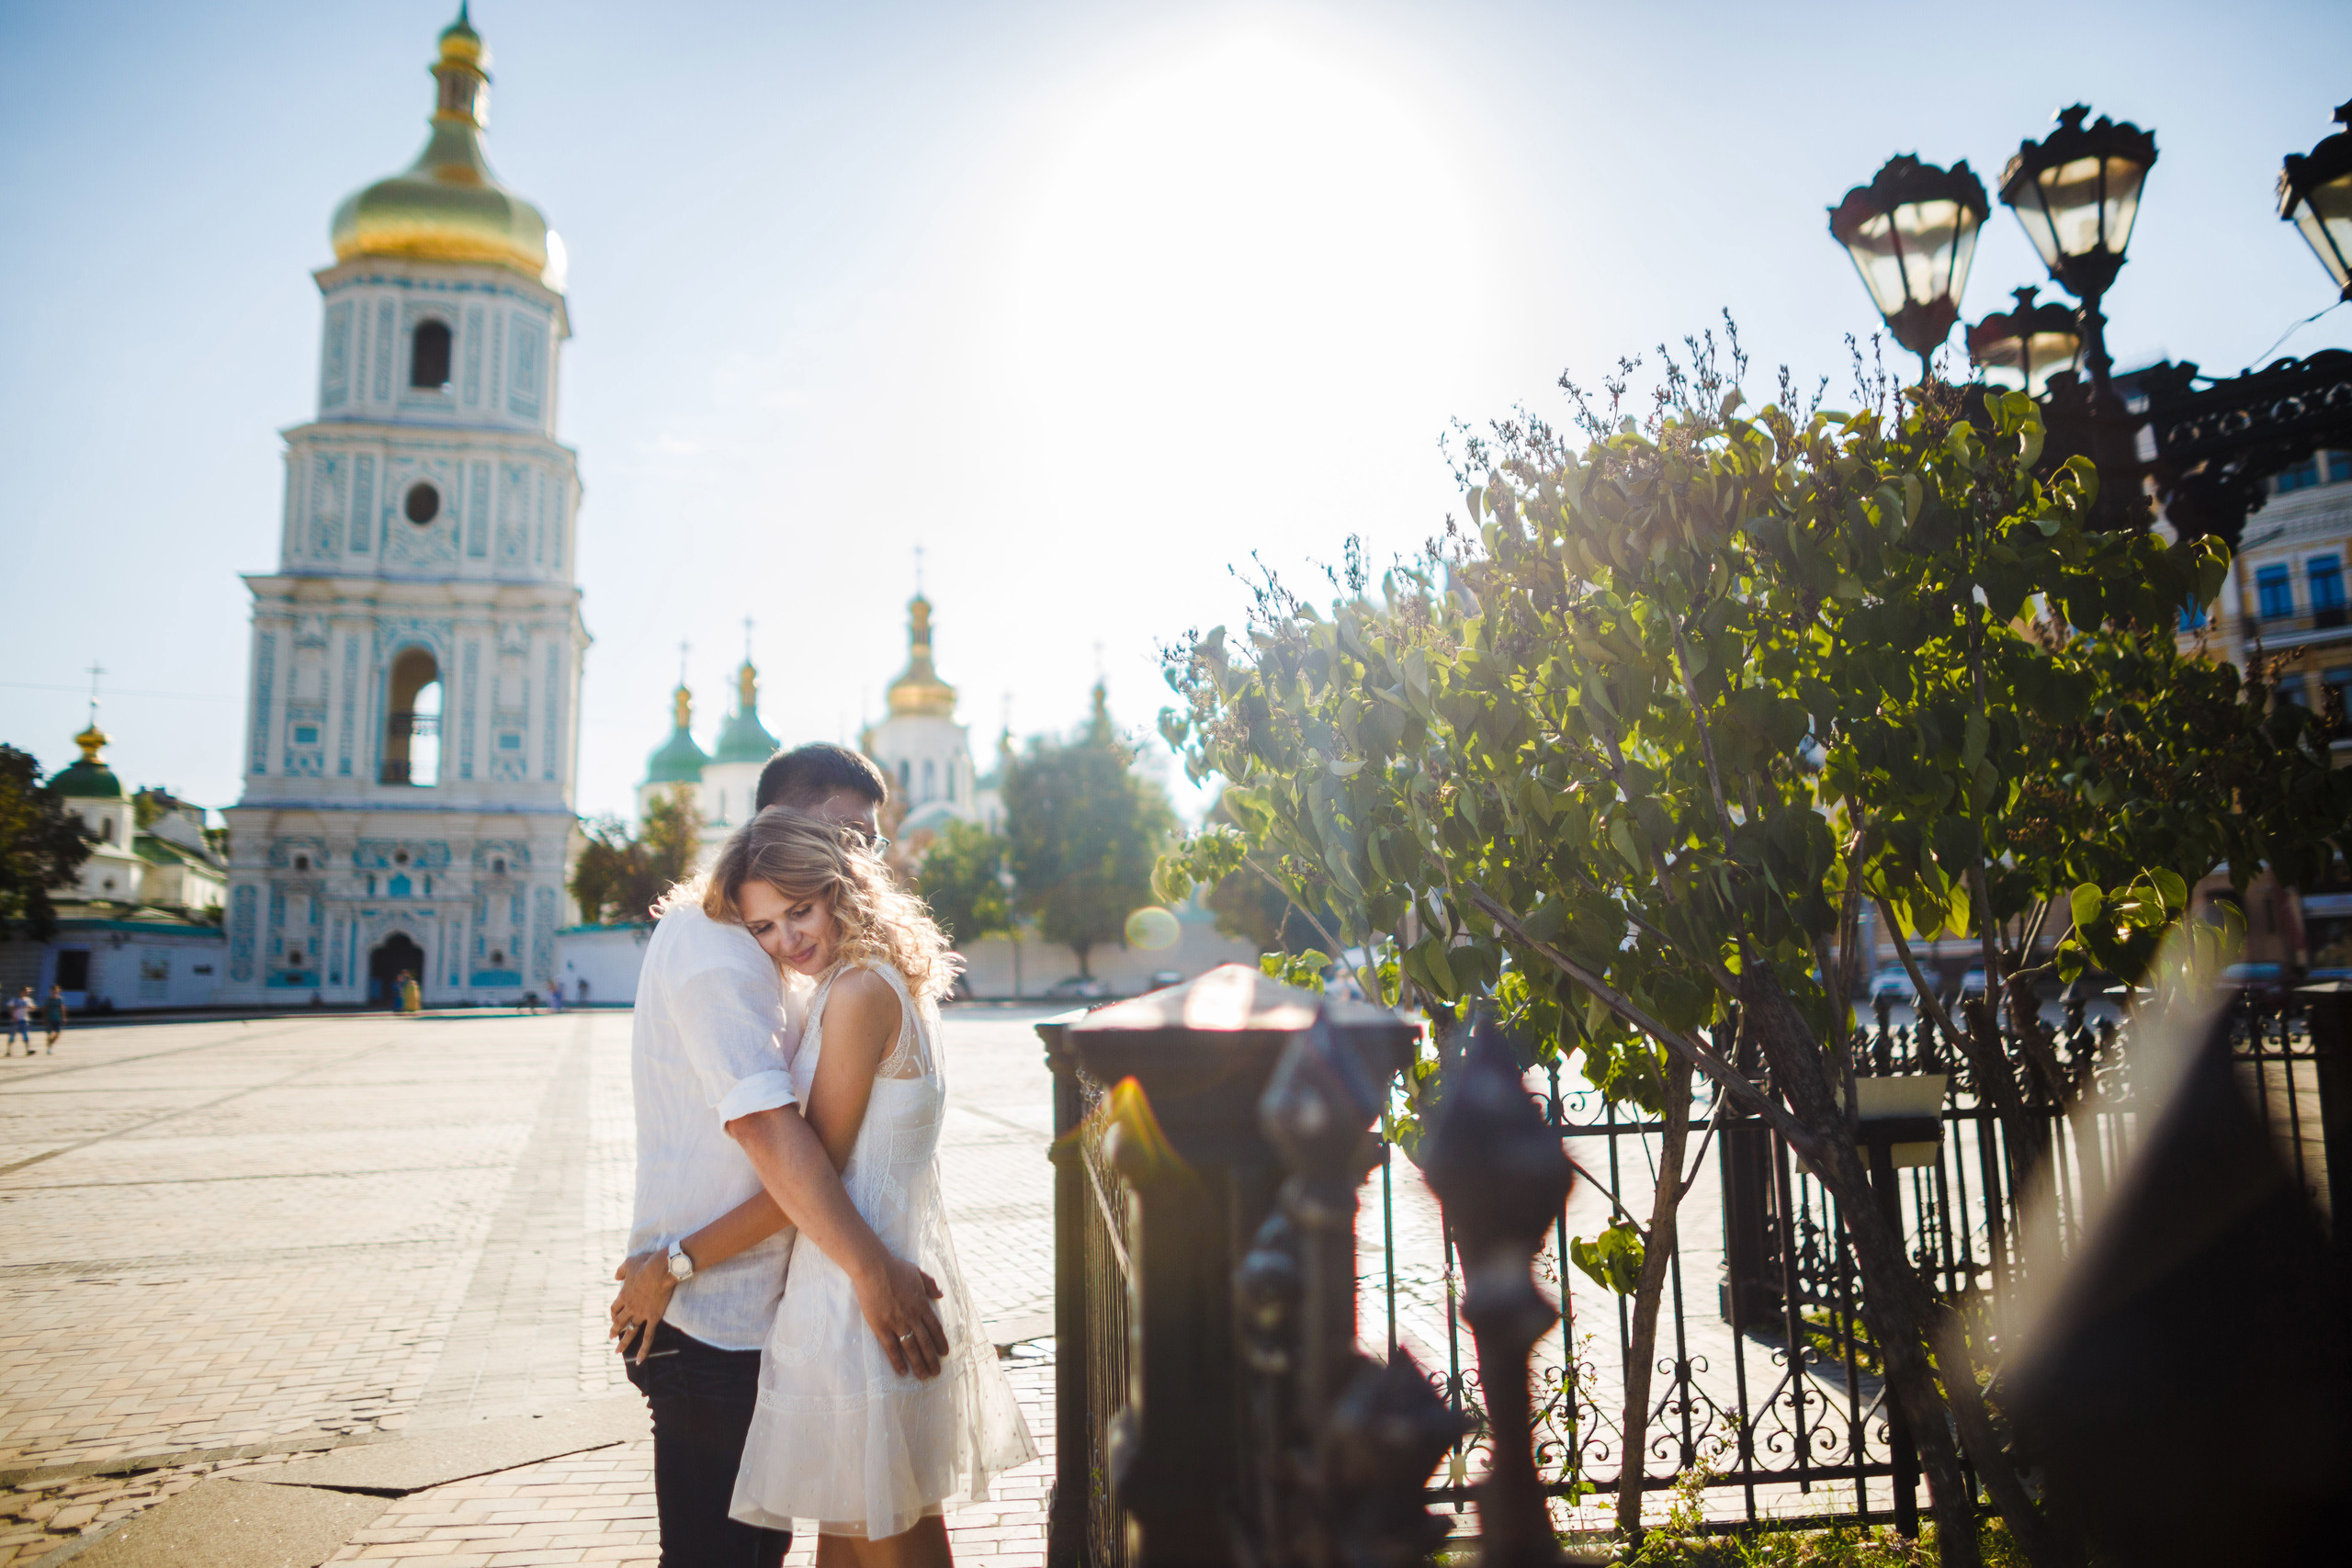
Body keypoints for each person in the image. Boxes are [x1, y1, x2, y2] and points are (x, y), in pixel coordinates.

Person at [632, 810, 1035, 1562]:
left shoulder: (855, 995)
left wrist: (675, 1261)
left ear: (840, 888)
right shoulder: (872, 981)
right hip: (844, 1300)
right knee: (851, 1552)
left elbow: (802, 1168)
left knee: (895, 1548)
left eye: (799, 910)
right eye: (763, 927)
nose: (787, 939)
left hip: (859, 1306)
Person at [605, 774, 940, 1568]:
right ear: (781, 827)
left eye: (870, 839)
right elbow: (770, 1130)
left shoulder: (841, 980)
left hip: (810, 1309)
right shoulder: (723, 941)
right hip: (719, 1319)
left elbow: (831, 1150)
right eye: (847, 833)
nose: (862, 855)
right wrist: (674, 1263)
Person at [6, 987, 32, 1055]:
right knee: (12, 1036)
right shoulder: (14, 1000)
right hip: (15, 1020)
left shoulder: (28, 1000)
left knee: (26, 1036)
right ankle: (8, 1051)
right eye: (26, 992)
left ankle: (27, 1050)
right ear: (22, 992)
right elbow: (10, 1008)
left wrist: (32, 1008)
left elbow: (31, 1008)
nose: (27, 993)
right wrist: (13, 1017)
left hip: (24, 1020)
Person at [42, 985, 66, 1052]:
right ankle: (49, 1048)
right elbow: (45, 1009)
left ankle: (50, 1044)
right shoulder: (48, 999)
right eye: (53, 990)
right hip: (49, 1018)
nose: (55, 992)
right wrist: (44, 1018)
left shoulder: (60, 999)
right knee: (49, 1034)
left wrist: (64, 1017)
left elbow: (62, 1008)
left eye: (56, 990)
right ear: (51, 991)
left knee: (58, 1033)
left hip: (58, 1018)